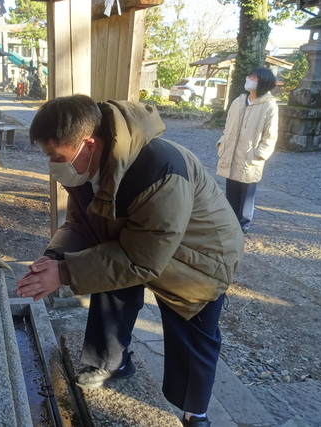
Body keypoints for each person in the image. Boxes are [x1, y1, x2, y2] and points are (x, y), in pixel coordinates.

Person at [16, 95, 244, 427]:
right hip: (139, 245)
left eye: (57, 157)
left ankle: (196, 413)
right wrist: (54, 257)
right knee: (104, 273)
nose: (53, 166)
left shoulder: (160, 169)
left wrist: (64, 272)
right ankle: (112, 361)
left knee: (192, 328)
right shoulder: (82, 168)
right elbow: (81, 225)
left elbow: (140, 258)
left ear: (88, 144)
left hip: (199, 255)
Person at [216, 67, 279, 234]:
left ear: (263, 81)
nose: (248, 79)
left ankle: (243, 225)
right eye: (249, 76)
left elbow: (270, 135)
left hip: (250, 156)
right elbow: (228, 126)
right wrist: (223, 143)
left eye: (254, 77)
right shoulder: (238, 101)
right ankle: (230, 222)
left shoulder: (269, 105)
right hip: (231, 152)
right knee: (232, 190)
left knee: (247, 194)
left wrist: (260, 154)